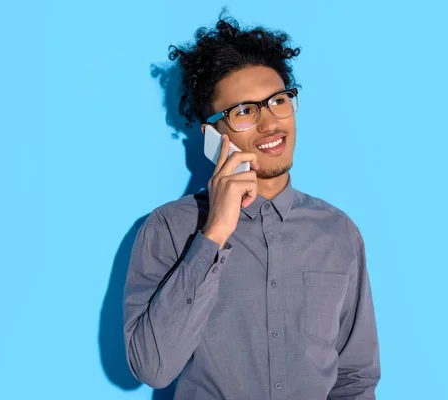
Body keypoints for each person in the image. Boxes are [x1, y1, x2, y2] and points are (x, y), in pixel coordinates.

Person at [123, 12, 381, 400]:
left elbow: (355, 379)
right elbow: (153, 369)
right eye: (244, 111)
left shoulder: (339, 232)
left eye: (278, 100)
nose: (269, 124)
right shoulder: (168, 229)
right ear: (212, 135)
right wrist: (213, 235)